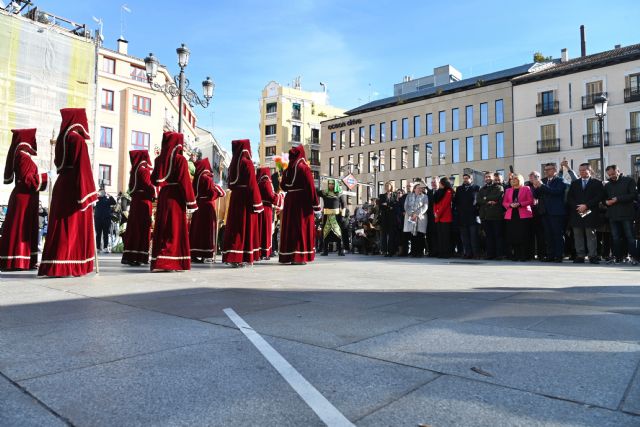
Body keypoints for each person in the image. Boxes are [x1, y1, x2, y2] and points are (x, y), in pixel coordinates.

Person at [39, 108, 97, 277]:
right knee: (72, 227)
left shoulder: (61, 140)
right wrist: (89, 194)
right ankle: (68, 264)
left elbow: (59, 164)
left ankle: (55, 263)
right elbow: (83, 168)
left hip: (62, 184)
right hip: (75, 187)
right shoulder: (77, 140)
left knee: (61, 226)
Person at [0, 128, 48, 271]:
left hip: (27, 199)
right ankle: (17, 261)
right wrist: (45, 176)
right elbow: (28, 180)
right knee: (21, 228)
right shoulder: (22, 157)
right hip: (24, 199)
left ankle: (26, 260)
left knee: (25, 227)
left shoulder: (22, 156)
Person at [150, 132, 197, 272]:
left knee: (163, 227)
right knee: (174, 228)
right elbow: (185, 182)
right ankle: (170, 261)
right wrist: (191, 202)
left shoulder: (159, 160)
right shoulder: (180, 160)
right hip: (176, 197)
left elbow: (153, 180)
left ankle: (159, 260)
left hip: (164, 195)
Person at [222, 139, 263, 267]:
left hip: (235, 198)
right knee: (244, 228)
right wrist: (258, 203)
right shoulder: (247, 163)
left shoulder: (232, 165)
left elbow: (230, 183)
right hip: (246, 199)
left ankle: (232, 255)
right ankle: (240, 257)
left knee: (234, 227)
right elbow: (252, 184)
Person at [279, 145, 321, 264]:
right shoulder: (304, 168)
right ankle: (299, 256)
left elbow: (282, 186)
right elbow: (311, 187)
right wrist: (316, 205)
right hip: (302, 202)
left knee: (290, 228)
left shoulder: (287, 170)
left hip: (290, 200)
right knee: (301, 227)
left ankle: (288, 255)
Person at [121, 150, 155, 266]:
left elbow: (131, 188)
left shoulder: (134, 170)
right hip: (143, 201)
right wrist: (154, 193)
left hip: (136, 202)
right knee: (142, 228)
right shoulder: (144, 171)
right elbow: (148, 185)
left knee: (134, 228)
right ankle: (140, 256)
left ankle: (130, 256)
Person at [566, 163, 604, 264]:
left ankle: (592, 256)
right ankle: (580, 256)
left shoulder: (597, 183)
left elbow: (599, 196)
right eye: (580, 170)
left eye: (584, 170)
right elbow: (570, 197)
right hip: (577, 212)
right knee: (578, 235)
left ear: (590, 170)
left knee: (590, 234)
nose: (582, 172)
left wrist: (586, 206)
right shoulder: (575, 183)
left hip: (590, 212)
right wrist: (578, 207)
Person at [190, 158, 226, 263]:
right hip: (207, 207)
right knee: (207, 230)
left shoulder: (197, 178)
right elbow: (211, 192)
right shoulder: (206, 178)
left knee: (197, 230)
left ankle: (195, 253)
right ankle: (206, 254)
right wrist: (218, 191)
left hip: (199, 206)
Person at [532, 163, 568, 262]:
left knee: (557, 234)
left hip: (556, 212)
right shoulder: (543, 181)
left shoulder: (560, 180)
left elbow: (556, 192)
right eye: (545, 169)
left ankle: (559, 255)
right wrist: (535, 186)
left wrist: (542, 186)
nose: (546, 171)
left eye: (548, 169)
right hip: (545, 212)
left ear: (555, 170)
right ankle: (550, 255)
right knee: (548, 235)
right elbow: (536, 195)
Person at [603, 165, 638, 264]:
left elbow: (633, 195)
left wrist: (618, 199)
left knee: (630, 237)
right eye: (609, 175)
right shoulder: (607, 185)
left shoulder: (629, 181)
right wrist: (606, 202)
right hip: (613, 215)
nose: (612, 176)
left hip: (627, 214)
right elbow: (603, 198)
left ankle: (634, 257)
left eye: (613, 174)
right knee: (615, 237)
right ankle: (617, 257)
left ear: (618, 171)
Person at [503, 174, 534, 261]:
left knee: (523, 235)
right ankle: (516, 255)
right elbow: (504, 202)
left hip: (524, 215)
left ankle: (525, 255)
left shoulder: (526, 188)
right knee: (514, 236)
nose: (513, 180)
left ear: (520, 180)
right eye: (512, 179)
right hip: (511, 215)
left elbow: (530, 200)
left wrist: (520, 204)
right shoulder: (508, 190)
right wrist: (510, 205)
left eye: (515, 179)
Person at [478, 172, 505, 260]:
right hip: (485, 216)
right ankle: (490, 254)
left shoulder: (499, 187)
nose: (487, 178)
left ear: (493, 178)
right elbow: (479, 200)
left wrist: (485, 198)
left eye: (489, 176)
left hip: (496, 215)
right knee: (488, 236)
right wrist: (487, 200)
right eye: (486, 177)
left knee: (498, 236)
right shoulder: (482, 189)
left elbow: (498, 197)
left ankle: (499, 255)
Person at [318, 178, 347, 256]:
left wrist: (343, 216)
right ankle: (325, 250)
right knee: (325, 233)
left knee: (338, 233)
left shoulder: (340, 193)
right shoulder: (324, 192)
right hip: (326, 216)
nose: (331, 185)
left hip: (336, 217)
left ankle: (340, 250)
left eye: (332, 184)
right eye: (330, 184)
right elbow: (315, 192)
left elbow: (344, 206)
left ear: (336, 185)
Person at [454, 173, 480, 259]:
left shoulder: (476, 188)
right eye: (464, 178)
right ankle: (467, 253)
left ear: (471, 179)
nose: (465, 180)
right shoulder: (459, 189)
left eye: (467, 178)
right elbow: (456, 201)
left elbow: (477, 201)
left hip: (473, 216)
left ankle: (475, 254)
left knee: (473, 237)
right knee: (464, 238)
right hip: (462, 217)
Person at [256, 167, 279, 260]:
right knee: (266, 231)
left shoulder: (258, 182)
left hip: (259, 208)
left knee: (259, 231)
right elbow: (271, 196)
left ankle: (259, 252)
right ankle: (264, 252)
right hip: (266, 209)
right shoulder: (266, 182)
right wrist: (277, 197)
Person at [403, 180, 429, 257]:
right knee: (412, 235)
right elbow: (406, 205)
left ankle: (419, 252)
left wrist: (417, 214)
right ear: (414, 189)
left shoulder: (425, 196)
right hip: (411, 217)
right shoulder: (409, 196)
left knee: (420, 235)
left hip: (420, 218)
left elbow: (425, 206)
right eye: (418, 188)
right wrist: (411, 213)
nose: (420, 189)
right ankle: (413, 252)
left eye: (421, 188)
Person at [526, 171, 546, 261]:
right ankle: (530, 254)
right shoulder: (527, 187)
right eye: (531, 177)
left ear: (539, 177)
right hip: (529, 212)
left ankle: (541, 255)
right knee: (530, 234)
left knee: (541, 235)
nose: (532, 178)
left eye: (534, 177)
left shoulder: (543, 185)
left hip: (541, 213)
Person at [434, 176, 454, 258]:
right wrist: (435, 212)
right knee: (440, 236)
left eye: (440, 183)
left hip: (445, 217)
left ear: (443, 184)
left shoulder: (448, 191)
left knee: (446, 237)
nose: (439, 184)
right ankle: (441, 252)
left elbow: (445, 204)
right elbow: (435, 203)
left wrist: (437, 214)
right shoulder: (438, 191)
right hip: (438, 217)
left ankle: (446, 253)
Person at [377, 182, 398, 257]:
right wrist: (390, 206)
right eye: (385, 186)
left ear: (391, 186)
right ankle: (384, 250)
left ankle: (391, 251)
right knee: (384, 235)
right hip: (384, 218)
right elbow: (380, 206)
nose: (386, 187)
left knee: (391, 235)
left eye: (387, 185)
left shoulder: (395, 195)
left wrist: (387, 205)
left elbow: (395, 205)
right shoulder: (382, 196)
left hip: (392, 218)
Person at [94, 186, 116, 253]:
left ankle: (105, 247)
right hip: (98, 219)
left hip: (106, 219)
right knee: (98, 234)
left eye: (103, 192)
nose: (101, 193)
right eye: (100, 192)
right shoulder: (96, 199)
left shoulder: (107, 199)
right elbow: (92, 203)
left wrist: (110, 196)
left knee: (106, 234)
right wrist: (96, 195)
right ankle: (98, 248)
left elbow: (114, 202)